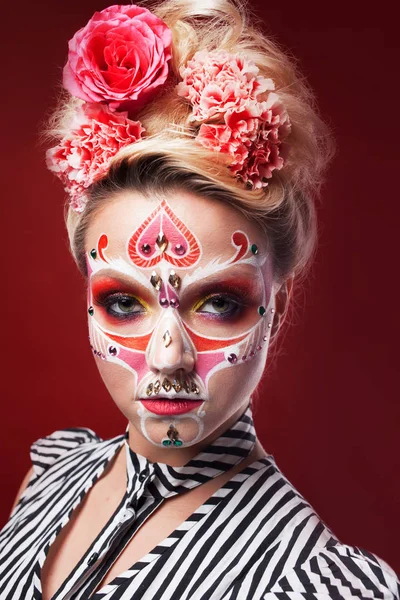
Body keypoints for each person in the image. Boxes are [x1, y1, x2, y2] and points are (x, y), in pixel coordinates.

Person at [0, 0, 398, 598]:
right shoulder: (51, 474)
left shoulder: (309, 582)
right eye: (124, 303)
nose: (167, 358)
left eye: (217, 303)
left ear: (277, 309)